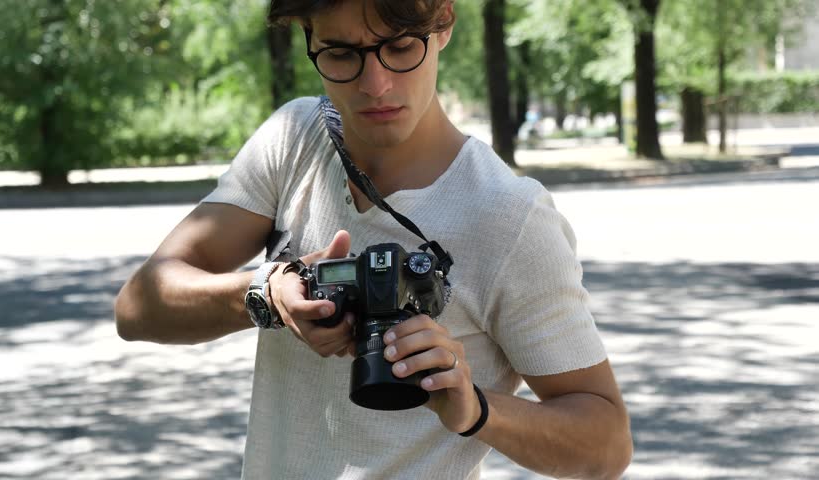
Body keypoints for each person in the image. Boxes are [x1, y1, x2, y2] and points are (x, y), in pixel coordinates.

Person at [114, 0, 633, 478]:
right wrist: (265, 294)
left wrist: (476, 408)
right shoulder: (295, 139)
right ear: (308, 37)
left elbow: (606, 445)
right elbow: (137, 307)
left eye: (400, 46)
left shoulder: (510, 216)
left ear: (444, 23)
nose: (375, 84)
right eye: (342, 53)